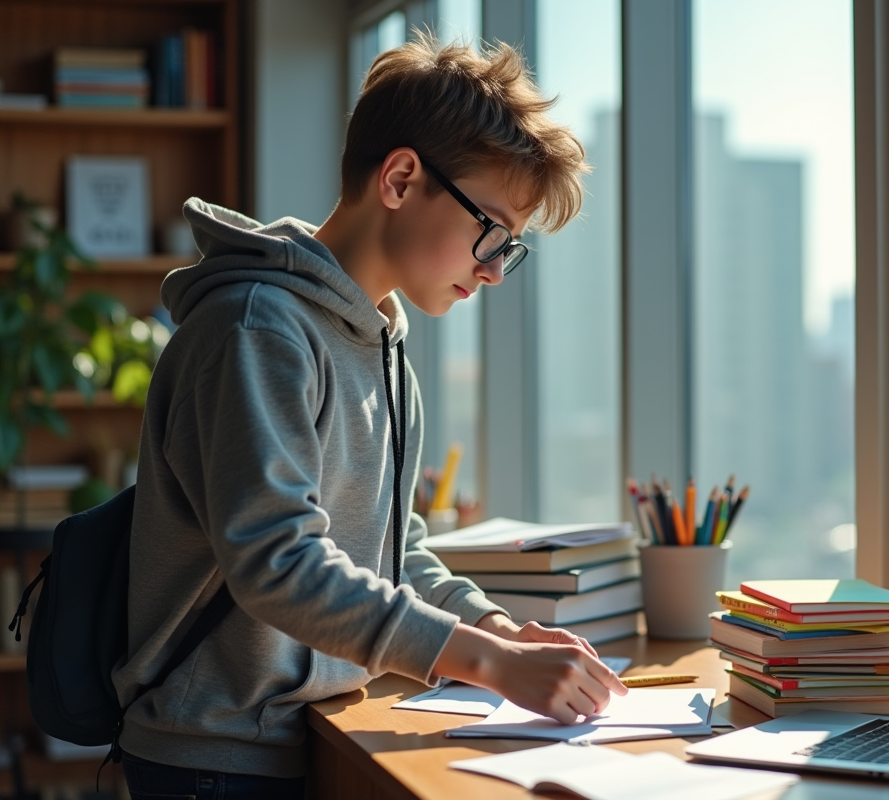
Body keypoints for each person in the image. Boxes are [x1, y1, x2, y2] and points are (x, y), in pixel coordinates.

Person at [112, 34, 626, 800]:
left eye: (509, 249)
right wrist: (487, 666)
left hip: (311, 731)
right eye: (490, 229)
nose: (491, 268)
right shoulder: (257, 331)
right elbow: (277, 564)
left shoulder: (381, 345)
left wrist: (496, 631)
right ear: (401, 178)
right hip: (214, 756)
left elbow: (391, 548)